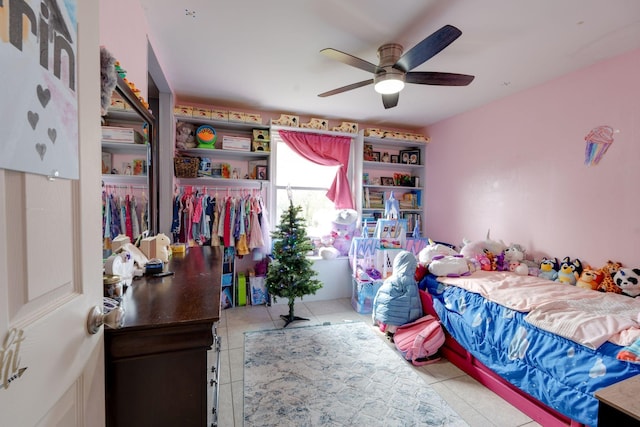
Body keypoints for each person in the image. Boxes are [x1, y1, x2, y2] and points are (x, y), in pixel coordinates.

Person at [372, 250, 423, 337]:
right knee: (404, 306)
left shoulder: (390, 279)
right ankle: (395, 330)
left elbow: (377, 299)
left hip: (383, 317)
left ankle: (385, 326)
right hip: (399, 322)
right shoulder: (409, 280)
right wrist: (417, 318)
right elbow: (414, 303)